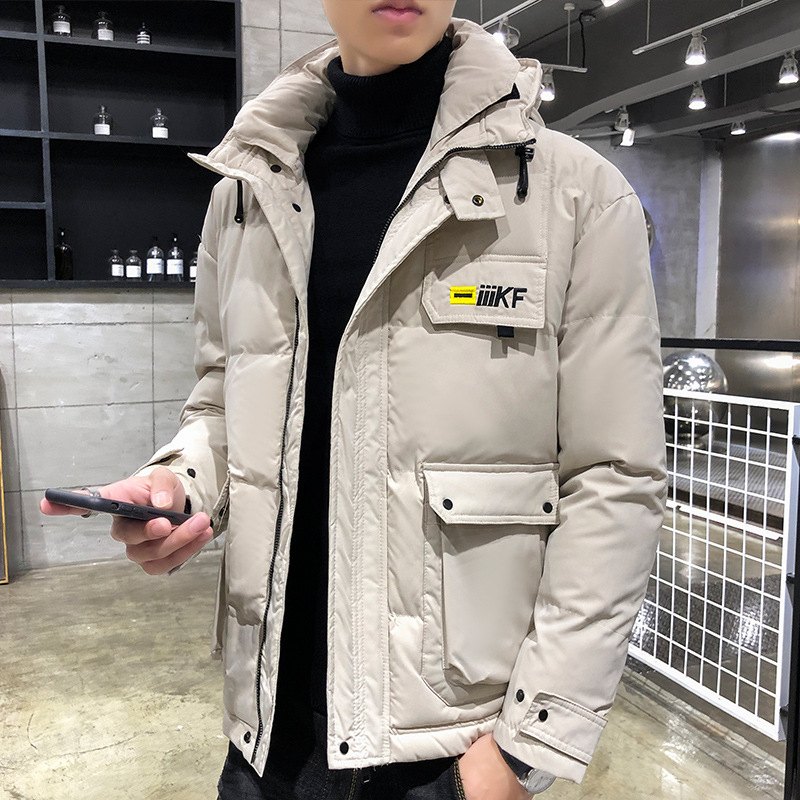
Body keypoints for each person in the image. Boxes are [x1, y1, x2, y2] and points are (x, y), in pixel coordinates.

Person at [41, 1, 667, 798]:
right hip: (268, 731)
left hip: (450, 744)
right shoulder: (247, 192)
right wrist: (179, 482)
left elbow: (615, 477)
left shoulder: (575, 194)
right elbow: (223, 399)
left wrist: (520, 754)